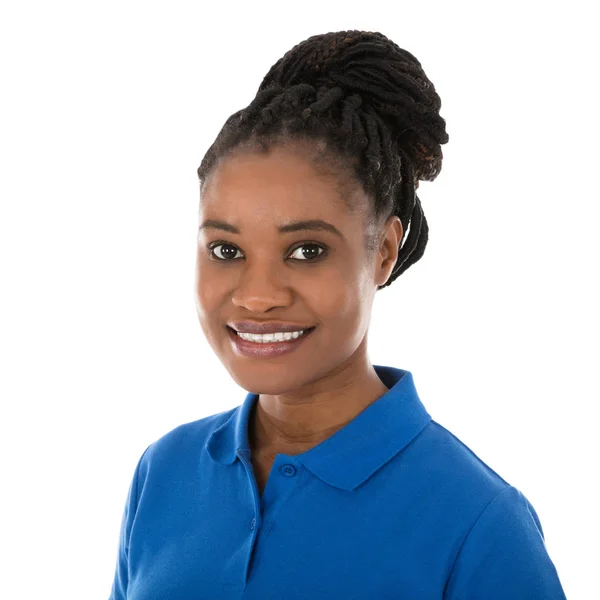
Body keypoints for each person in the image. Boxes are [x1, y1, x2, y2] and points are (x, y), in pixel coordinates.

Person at [108, 30, 567, 599]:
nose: (257, 296)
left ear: (384, 251)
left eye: (306, 251)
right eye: (227, 250)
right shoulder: (164, 472)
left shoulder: (479, 525)